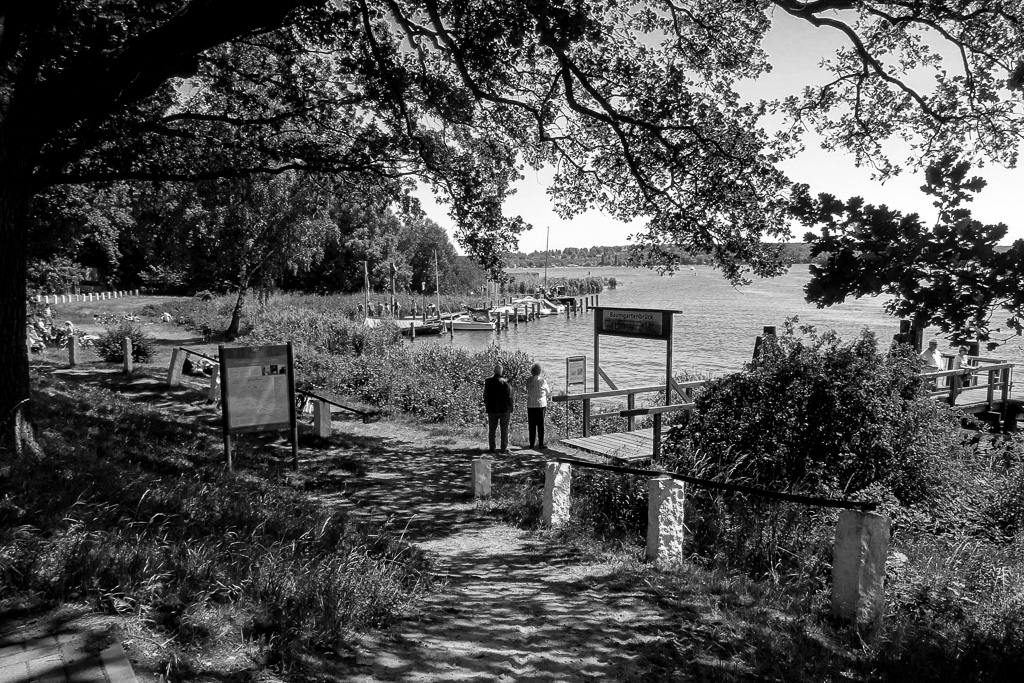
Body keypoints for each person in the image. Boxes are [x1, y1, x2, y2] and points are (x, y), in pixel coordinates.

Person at [483, 363, 514, 453]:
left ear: (494, 371)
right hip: (504, 410)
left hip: (492, 409)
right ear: (502, 372)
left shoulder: (488, 382)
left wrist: (487, 404)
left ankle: (492, 447)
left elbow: (485, 395)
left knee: (492, 429)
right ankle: (504, 448)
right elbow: (510, 396)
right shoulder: (506, 382)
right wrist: (510, 408)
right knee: (504, 429)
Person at [525, 363, 552, 449]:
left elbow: (526, 389)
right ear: (539, 371)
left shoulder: (528, 380)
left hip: (531, 405)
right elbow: (548, 391)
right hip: (541, 405)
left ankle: (531, 444)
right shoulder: (542, 381)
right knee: (540, 425)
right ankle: (541, 444)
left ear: (532, 371)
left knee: (531, 425)